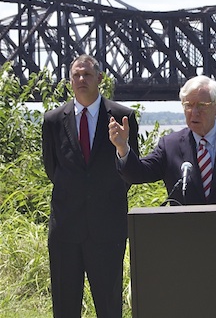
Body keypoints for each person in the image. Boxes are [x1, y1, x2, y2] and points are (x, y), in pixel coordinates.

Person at [108, 75, 216, 239]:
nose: (194, 112)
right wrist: (123, 147)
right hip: (186, 240)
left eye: (201, 105)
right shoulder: (170, 145)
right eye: (188, 105)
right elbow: (138, 173)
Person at [42, 54, 140, 318]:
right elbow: (52, 169)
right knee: (64, 306)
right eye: (76, 75)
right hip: (65, 228)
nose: (81, 79)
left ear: (100, 78)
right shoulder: (52, 120)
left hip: (107, 228)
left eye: (86, 74)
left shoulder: (122, 116)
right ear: (70, 81)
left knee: (109, 307)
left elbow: (130, 169)